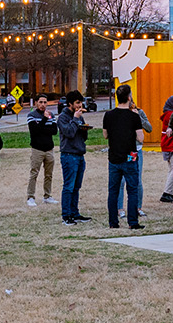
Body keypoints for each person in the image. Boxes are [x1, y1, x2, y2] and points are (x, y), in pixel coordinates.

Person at [101, 84, 146, 229]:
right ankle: (133, 222)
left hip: (114, 157)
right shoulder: (134, 117)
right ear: (129, 97)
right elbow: (141, 138)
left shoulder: (108, 115)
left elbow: (105, 135)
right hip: (130, 157)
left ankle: (113, 222)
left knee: (113, 191)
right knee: (132, 190)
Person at [57, 91, 92, 224]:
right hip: (68, 155)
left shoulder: (79, 117)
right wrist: (76, 119)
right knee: (69, 186)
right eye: (77, 103)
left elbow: (83, 137)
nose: (80, 105)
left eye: (81, 102)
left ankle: (75, 212)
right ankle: (66, 215)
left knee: (77, 186)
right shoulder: (63, 118)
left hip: (79, 154)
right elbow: (69, 133)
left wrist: (84, 130)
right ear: (70, 104)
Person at [24, 94, 58, 206]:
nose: (43, 105)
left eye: (45, 102)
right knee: (34, 173)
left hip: (49, 149)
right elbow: (34, 131)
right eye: (41, 102)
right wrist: (44, 119)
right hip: (37, 149)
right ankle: (30, 197)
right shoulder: (31, 115)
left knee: (49, 174)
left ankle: (47, 196)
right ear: (36, 103)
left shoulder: (51, 115)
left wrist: (42, 126)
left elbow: (54, 131)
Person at [158, 95, 173, 204]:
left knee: (172, 169)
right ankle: (167, 193)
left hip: (168, 145)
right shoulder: (171, 115)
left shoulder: (167, 114)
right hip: (169, 145)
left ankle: (169, 192)